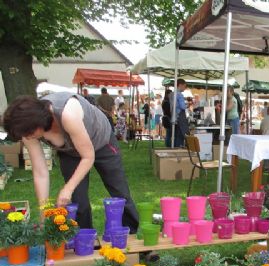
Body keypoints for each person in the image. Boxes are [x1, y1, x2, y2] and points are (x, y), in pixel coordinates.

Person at [3, 93, 140, 232]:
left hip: (102, 142)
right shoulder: (28, 130)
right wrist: (43, 212)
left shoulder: (68, 114)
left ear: (37, 124)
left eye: (28, 134)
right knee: (78, 200)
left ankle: (134, 238)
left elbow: (88, 156)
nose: (27, 138)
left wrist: (67, 188)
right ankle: (84, 242)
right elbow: (40, 172)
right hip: (70, 151)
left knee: (119, 192)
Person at [174, 79, 189, 147]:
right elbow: (183, 107)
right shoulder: (179, 94)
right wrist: (188, 105)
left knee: (178, 134)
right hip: (180, 115)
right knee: (184, 133)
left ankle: (177, 148)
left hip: (176, 115)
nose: (185, 88)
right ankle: (182, 148)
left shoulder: (173, 93)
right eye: (184, 86)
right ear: (180, 85)